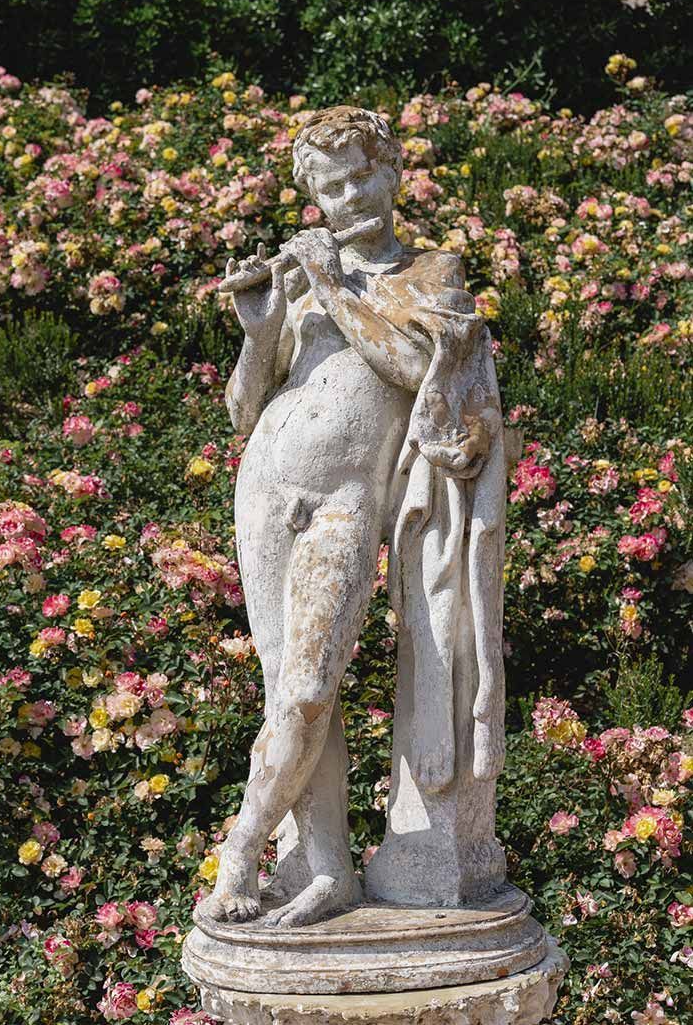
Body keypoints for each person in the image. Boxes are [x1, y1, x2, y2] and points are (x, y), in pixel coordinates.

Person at [206, 106, 505, 928]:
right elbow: (242, 411)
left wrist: (335, 287)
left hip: (344, 505)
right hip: (264, 496)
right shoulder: (304, 284)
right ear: (316, 198)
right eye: (332, 188)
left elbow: (418, 365)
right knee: (288, 695)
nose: (350, 199)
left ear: (393, 173)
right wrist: (260, 330)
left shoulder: (427, 273)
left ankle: (239, 854)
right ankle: (329, 866)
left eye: (362, 177)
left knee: (306, 689)